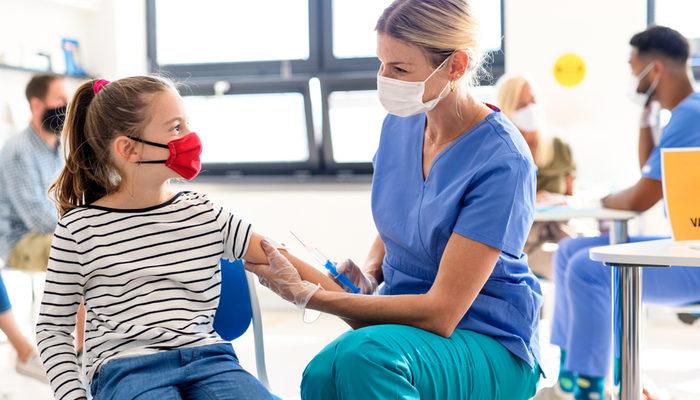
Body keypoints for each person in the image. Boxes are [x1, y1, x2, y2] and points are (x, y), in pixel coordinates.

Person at [244, 1, 543, 398]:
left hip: (486, 337)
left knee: (362, 357)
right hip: (405, 328)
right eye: (381, 63)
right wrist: (369, 275)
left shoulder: (502, 160)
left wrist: (316, 298)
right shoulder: (400, 124)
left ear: (455, 67)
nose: (384, 78)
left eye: (400, 69)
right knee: (322, 375)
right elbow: (404, 218)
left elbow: (441, 313)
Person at [35, 76, 344, 400]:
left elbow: (275, 254)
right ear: (129, 149)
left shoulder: (202, 211)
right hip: (126, 370)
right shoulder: (78, 230)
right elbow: (52, 330)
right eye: (176, 128)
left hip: (209, 361)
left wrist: (357, 308)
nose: (190, 138)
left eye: (187, 125)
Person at [534, 26, 700, 400]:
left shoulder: (691, 116)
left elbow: (642, 197)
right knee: (569, 253)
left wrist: (606, 199)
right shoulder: (685, 115)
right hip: (690, 248)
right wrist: (647, 119)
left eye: (633, 67)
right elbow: (651, 172)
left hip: (697, 260)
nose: (630, 77)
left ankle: (591, 389)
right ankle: (571, 375)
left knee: (589, 267)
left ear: (654, 71)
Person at [0, 74, 78, 381]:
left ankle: (85, 350)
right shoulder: (18, 150)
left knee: (91, 246)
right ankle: (77, 356)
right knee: (82, 253)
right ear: (36, 105)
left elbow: (68, 197)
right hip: (18, 238)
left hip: (49, 231)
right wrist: (79, 226)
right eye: (60, 101)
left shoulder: (58, 147)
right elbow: (37, 217)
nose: (66, 107)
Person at [497, 75, 577, 279]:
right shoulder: (499, 149)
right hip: (520, 240)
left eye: (533, 101)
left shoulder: (559, 146)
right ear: (507, 107)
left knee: (585, 256)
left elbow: (572, 197)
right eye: (521, 104)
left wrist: (556, 199)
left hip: (560, 231)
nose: (530, 109)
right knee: (571, 266)